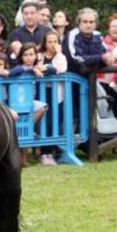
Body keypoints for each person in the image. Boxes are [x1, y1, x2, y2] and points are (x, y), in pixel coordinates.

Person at [8, 42, 52, 166]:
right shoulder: (19, 68)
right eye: (26, 55)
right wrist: (33, 69)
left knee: (42, 107)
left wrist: (40, 68)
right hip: (17, 102)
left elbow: (53, 69)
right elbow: (13, 72)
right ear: (21, 56)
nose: (28, 57)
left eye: (31, 54)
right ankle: (22, 159)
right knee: (23, 126)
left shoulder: (39, 66)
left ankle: (25, 159)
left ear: (36, 55)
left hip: (30, 103)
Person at [37, 31, 67, 166]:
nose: (52, 44)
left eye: (55, 41)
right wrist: (46, 69)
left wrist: (59, 53)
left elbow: (61, 69)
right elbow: (36, 69)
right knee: (46, 122)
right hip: (41, 93)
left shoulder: (61, 56)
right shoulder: (38, 55)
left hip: (56, 94)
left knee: (55, 122)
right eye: (49, 41)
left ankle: (52, 152)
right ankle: (45, 153)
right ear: (44, 43)